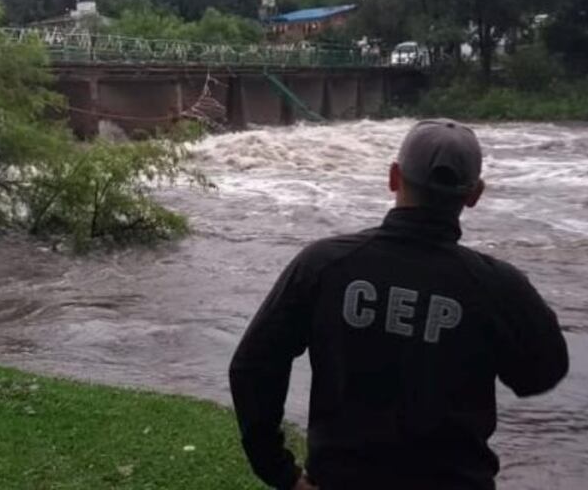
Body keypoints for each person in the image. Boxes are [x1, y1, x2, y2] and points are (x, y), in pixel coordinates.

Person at [229, 119, 569, 490]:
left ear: (394, 177)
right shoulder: (498, 286)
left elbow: (253, 366)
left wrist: (280, 471)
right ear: (474, 195)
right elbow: (541, 373)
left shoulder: (324, 264)